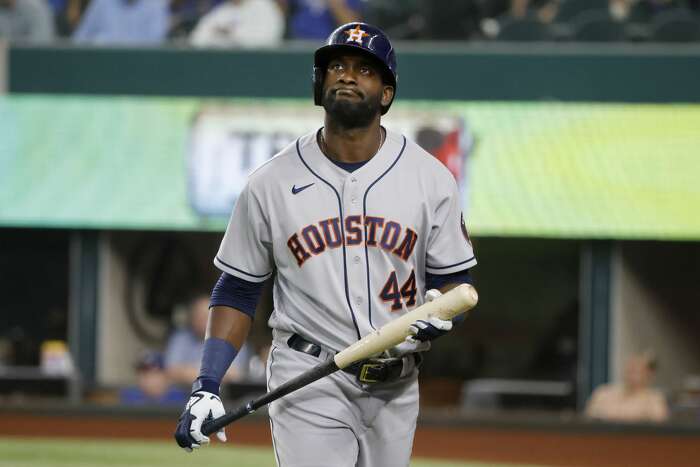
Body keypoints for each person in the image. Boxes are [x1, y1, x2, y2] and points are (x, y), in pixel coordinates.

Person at [174, 22, 477, 467]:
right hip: (309, 375)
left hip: (397, 383)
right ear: (319, 84)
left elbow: (457, 286)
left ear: (387, 94)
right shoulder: (269, 183)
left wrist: (441, 312)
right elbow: (237, 289)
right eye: (336, 65)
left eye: (364, 69)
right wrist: (207, 383)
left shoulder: (429, 178)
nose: (348, 75)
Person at [164, 293, 250, 385]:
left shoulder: (233, 339)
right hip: (183, 395)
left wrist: (188, 372)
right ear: (191, 317)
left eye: (206, 315)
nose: (201, 319)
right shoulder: (180, 338)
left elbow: (235, 374)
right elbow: (171, 371)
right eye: (198, 315)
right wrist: (215, 374)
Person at [586, 351, 670, 423]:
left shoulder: (654, 399)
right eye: (630, 368)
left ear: (649, 374)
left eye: (638, 370)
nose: (632, 373)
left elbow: (660, 427)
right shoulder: (603, 393)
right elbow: (588, 421)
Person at [189, 0, 284, 47]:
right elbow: (196, 39)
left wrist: (232, 34)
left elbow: (267, 39)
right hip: (220, 67)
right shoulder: (221, 11)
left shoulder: (265, 7)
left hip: (255, 68)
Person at [72, 0, 169, 45]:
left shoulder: (156, 6)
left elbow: (157, 46)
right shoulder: (101, 3)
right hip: (101, 69)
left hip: (142, 74)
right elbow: (79, 40)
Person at [120, 351, 188, 405]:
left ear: (165, 375)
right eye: (142, 373)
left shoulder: (179, 398)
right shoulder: (130, 396)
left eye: (152, 373)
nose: (146, 379)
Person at [277, 0, 362, 39]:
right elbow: (279, 11)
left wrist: (337, 5)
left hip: (327, 44)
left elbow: (354, 28)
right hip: (296, 42)